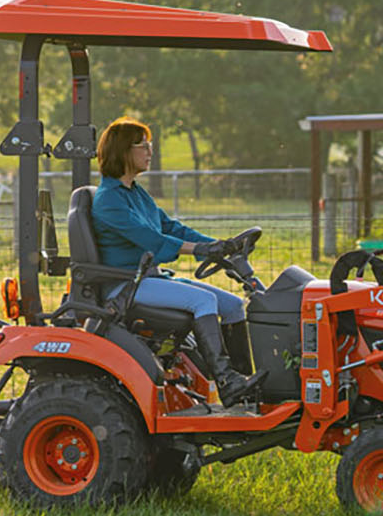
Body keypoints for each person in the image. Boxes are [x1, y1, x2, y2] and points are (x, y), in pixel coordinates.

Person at [89, 117, 262, 408]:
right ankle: (227, 385)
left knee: (232, 305)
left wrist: (216, 246)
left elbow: (170, 228)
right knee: (203, 301)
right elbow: (153, 240)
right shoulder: (109, 200)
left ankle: (245, 386)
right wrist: (200, 249)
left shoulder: (135, 193)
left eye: (150, 145)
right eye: (142, 145)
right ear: (122, 151)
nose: (149, 151)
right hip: (126, 286)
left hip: (150, 280)